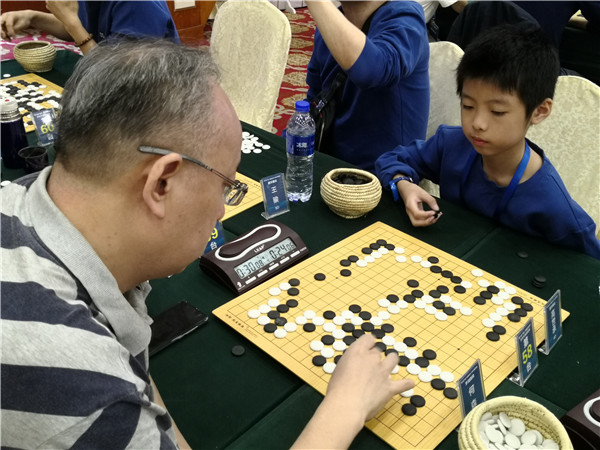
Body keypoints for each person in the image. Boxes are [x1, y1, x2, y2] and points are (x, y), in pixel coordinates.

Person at [0, 39, 414, 449]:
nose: (221, 210)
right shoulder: (85, 388)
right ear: (161, 184)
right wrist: (346, 407)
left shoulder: (26, 195)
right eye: (226, 185)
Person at [375, 24, 600, 260]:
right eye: (468, 106)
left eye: (497, 111)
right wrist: (403, 184)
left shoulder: (553, 204)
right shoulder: (451, 143)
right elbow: (393, 159)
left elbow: (589, 268)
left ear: (539, 111)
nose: (478, 123)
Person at [305, 0, 430, 173]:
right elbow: (314, 101)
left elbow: (372, 71)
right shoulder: (331, 25)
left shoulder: (406, 17)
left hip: (387, 176)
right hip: (330, 169)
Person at [0, 1, 179, 54]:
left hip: (156, 102)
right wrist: (33, 17)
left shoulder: (137, 6)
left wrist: (72, 23)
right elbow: (82, 28)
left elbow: (118, 79)